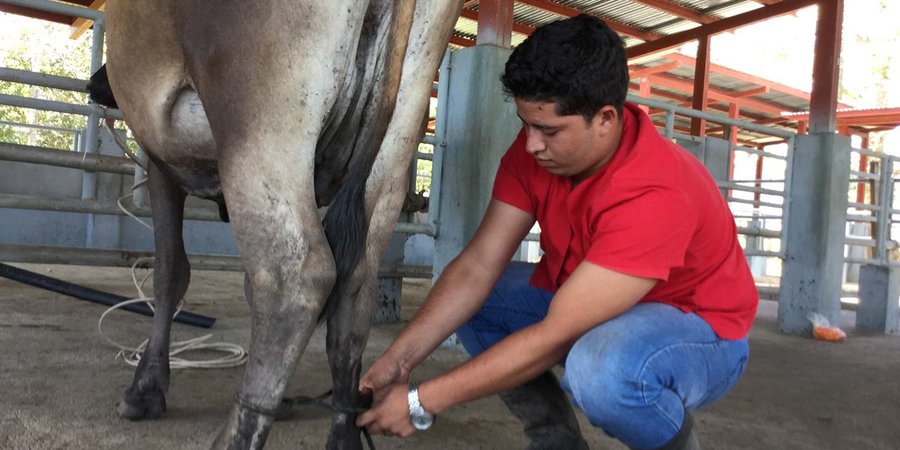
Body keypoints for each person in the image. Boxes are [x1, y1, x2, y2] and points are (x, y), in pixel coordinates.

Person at [356, 14, 758, 450]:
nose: (530, 145)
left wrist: (420, 401)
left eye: (548, 130)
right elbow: (476, 267)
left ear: (605, 118)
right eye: (526, 124)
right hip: (595, 301)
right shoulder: (536, 155)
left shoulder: (655, 190)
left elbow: (555, 336)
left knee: (600, 370)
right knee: (479, 301)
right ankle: (556, 442)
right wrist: (399, 360)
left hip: (698, 331)